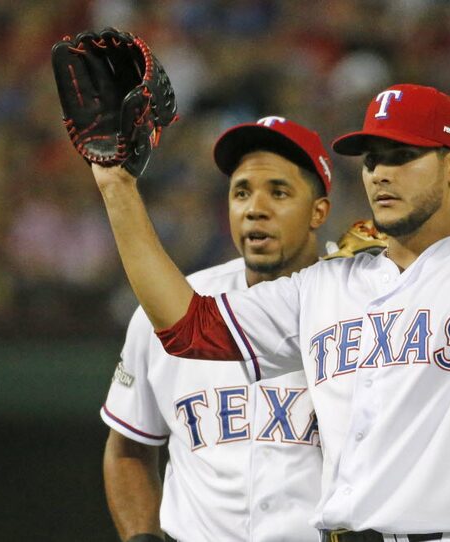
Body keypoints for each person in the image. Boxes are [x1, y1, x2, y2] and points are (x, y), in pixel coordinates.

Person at [93, 23, 450, 542]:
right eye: (373, 158)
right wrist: (117, 186)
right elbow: (189, 330)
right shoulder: (322, 285)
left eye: (403, 156)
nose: (380, 173)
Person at [100, 116, 332, 542]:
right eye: (241, 192)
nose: (254, 208)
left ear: (319, 210)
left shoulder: (360, 306)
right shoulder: (168, 307)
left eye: (278, 192)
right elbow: (129, 447)